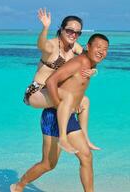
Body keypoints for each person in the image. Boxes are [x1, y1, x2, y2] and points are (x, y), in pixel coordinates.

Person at [11, 33, 109, 192]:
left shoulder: (90, 64)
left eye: (105, 49)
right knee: (48, 164)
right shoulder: (79, 62)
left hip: (68, 115)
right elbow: (51, 81)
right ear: (88, 47)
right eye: (98, 47)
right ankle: (18, 186)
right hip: (53, 115)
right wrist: (60, 105)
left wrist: (94, 71)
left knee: (86, 157)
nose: (101, 51)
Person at [24, 8, 99, 152]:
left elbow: (90, 58)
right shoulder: (52, 45)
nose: (73, 34)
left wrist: (94, 71)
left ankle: (85, 139)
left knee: (85, 101)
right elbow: (41, 45)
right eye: (70, 30)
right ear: (61, 29)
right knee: (68, 97)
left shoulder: (74, 47)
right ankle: (63, 139)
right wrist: (45, 27)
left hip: (53, 92)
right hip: (36, 92)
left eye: (77, 33)